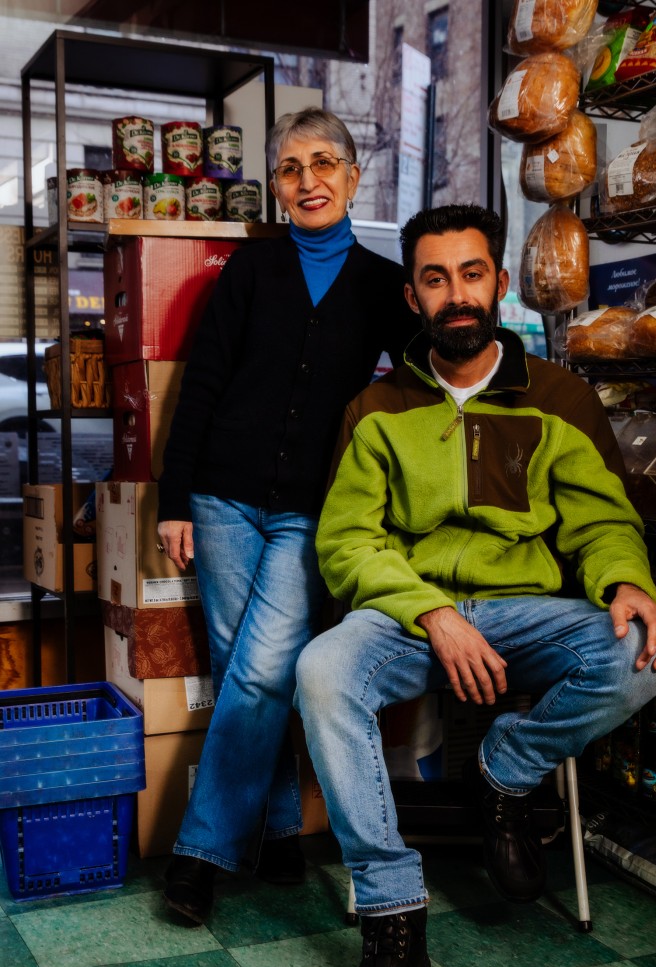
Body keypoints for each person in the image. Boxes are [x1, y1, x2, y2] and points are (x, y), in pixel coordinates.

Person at [294, 203, 656, 967]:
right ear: (413, 296)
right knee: (321, 670)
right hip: (407, 612)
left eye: (472, 274)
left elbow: (603, 522)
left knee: (647, 653)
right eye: (436, 278)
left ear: (500, 283)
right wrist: (433, 612)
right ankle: (393, 922)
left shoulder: (560, 396)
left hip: (529, 610)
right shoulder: (377, 408)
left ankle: (509, 766)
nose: (456, 294)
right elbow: (348, 541)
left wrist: (626, 583)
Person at [156, 108, 419, 924]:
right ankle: (273, 832)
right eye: (291, 168)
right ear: (276, 185)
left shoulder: (383, 286)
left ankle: (200, 852)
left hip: (310, 510)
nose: (309, 180)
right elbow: (200, 386)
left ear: (352, 177)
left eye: (324, 163)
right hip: (222, 497)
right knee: (248, 665)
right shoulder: (249, 272)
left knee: (265, 668)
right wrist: (173, 501)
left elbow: (424, 371)